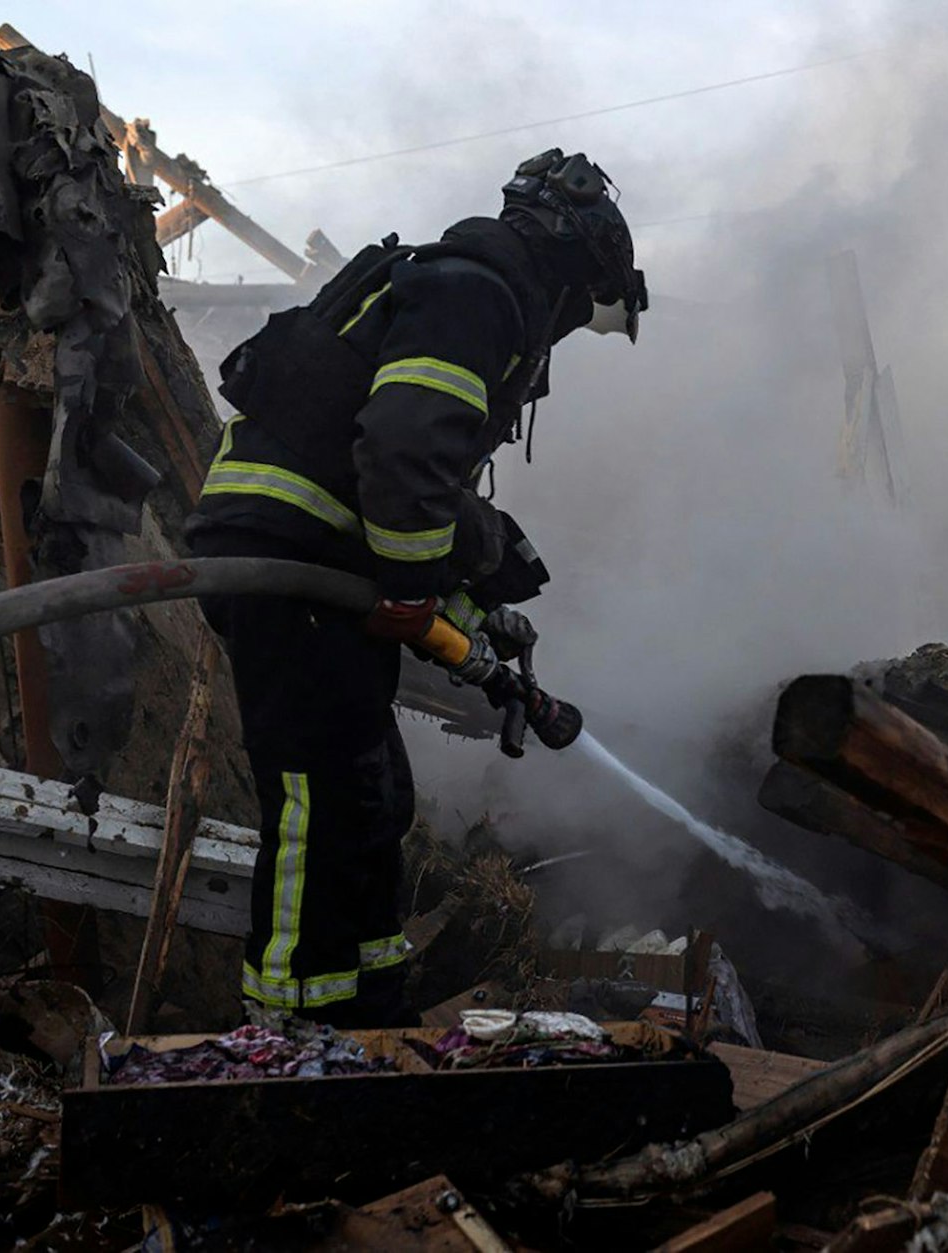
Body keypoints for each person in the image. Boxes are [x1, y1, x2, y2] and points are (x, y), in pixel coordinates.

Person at [184, 150, 647, 1025]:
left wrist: (476, 617)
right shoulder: (478, 295)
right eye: (581, 303)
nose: (571, 326)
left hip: (320, 559)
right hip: (289, 558)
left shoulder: (467, 290)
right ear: (563, 265)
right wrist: (409, 585)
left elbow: (409, 503)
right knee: (319, 801)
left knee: (372, 795)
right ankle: (291, 1028)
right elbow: (402, 454)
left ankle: (366, 1002)